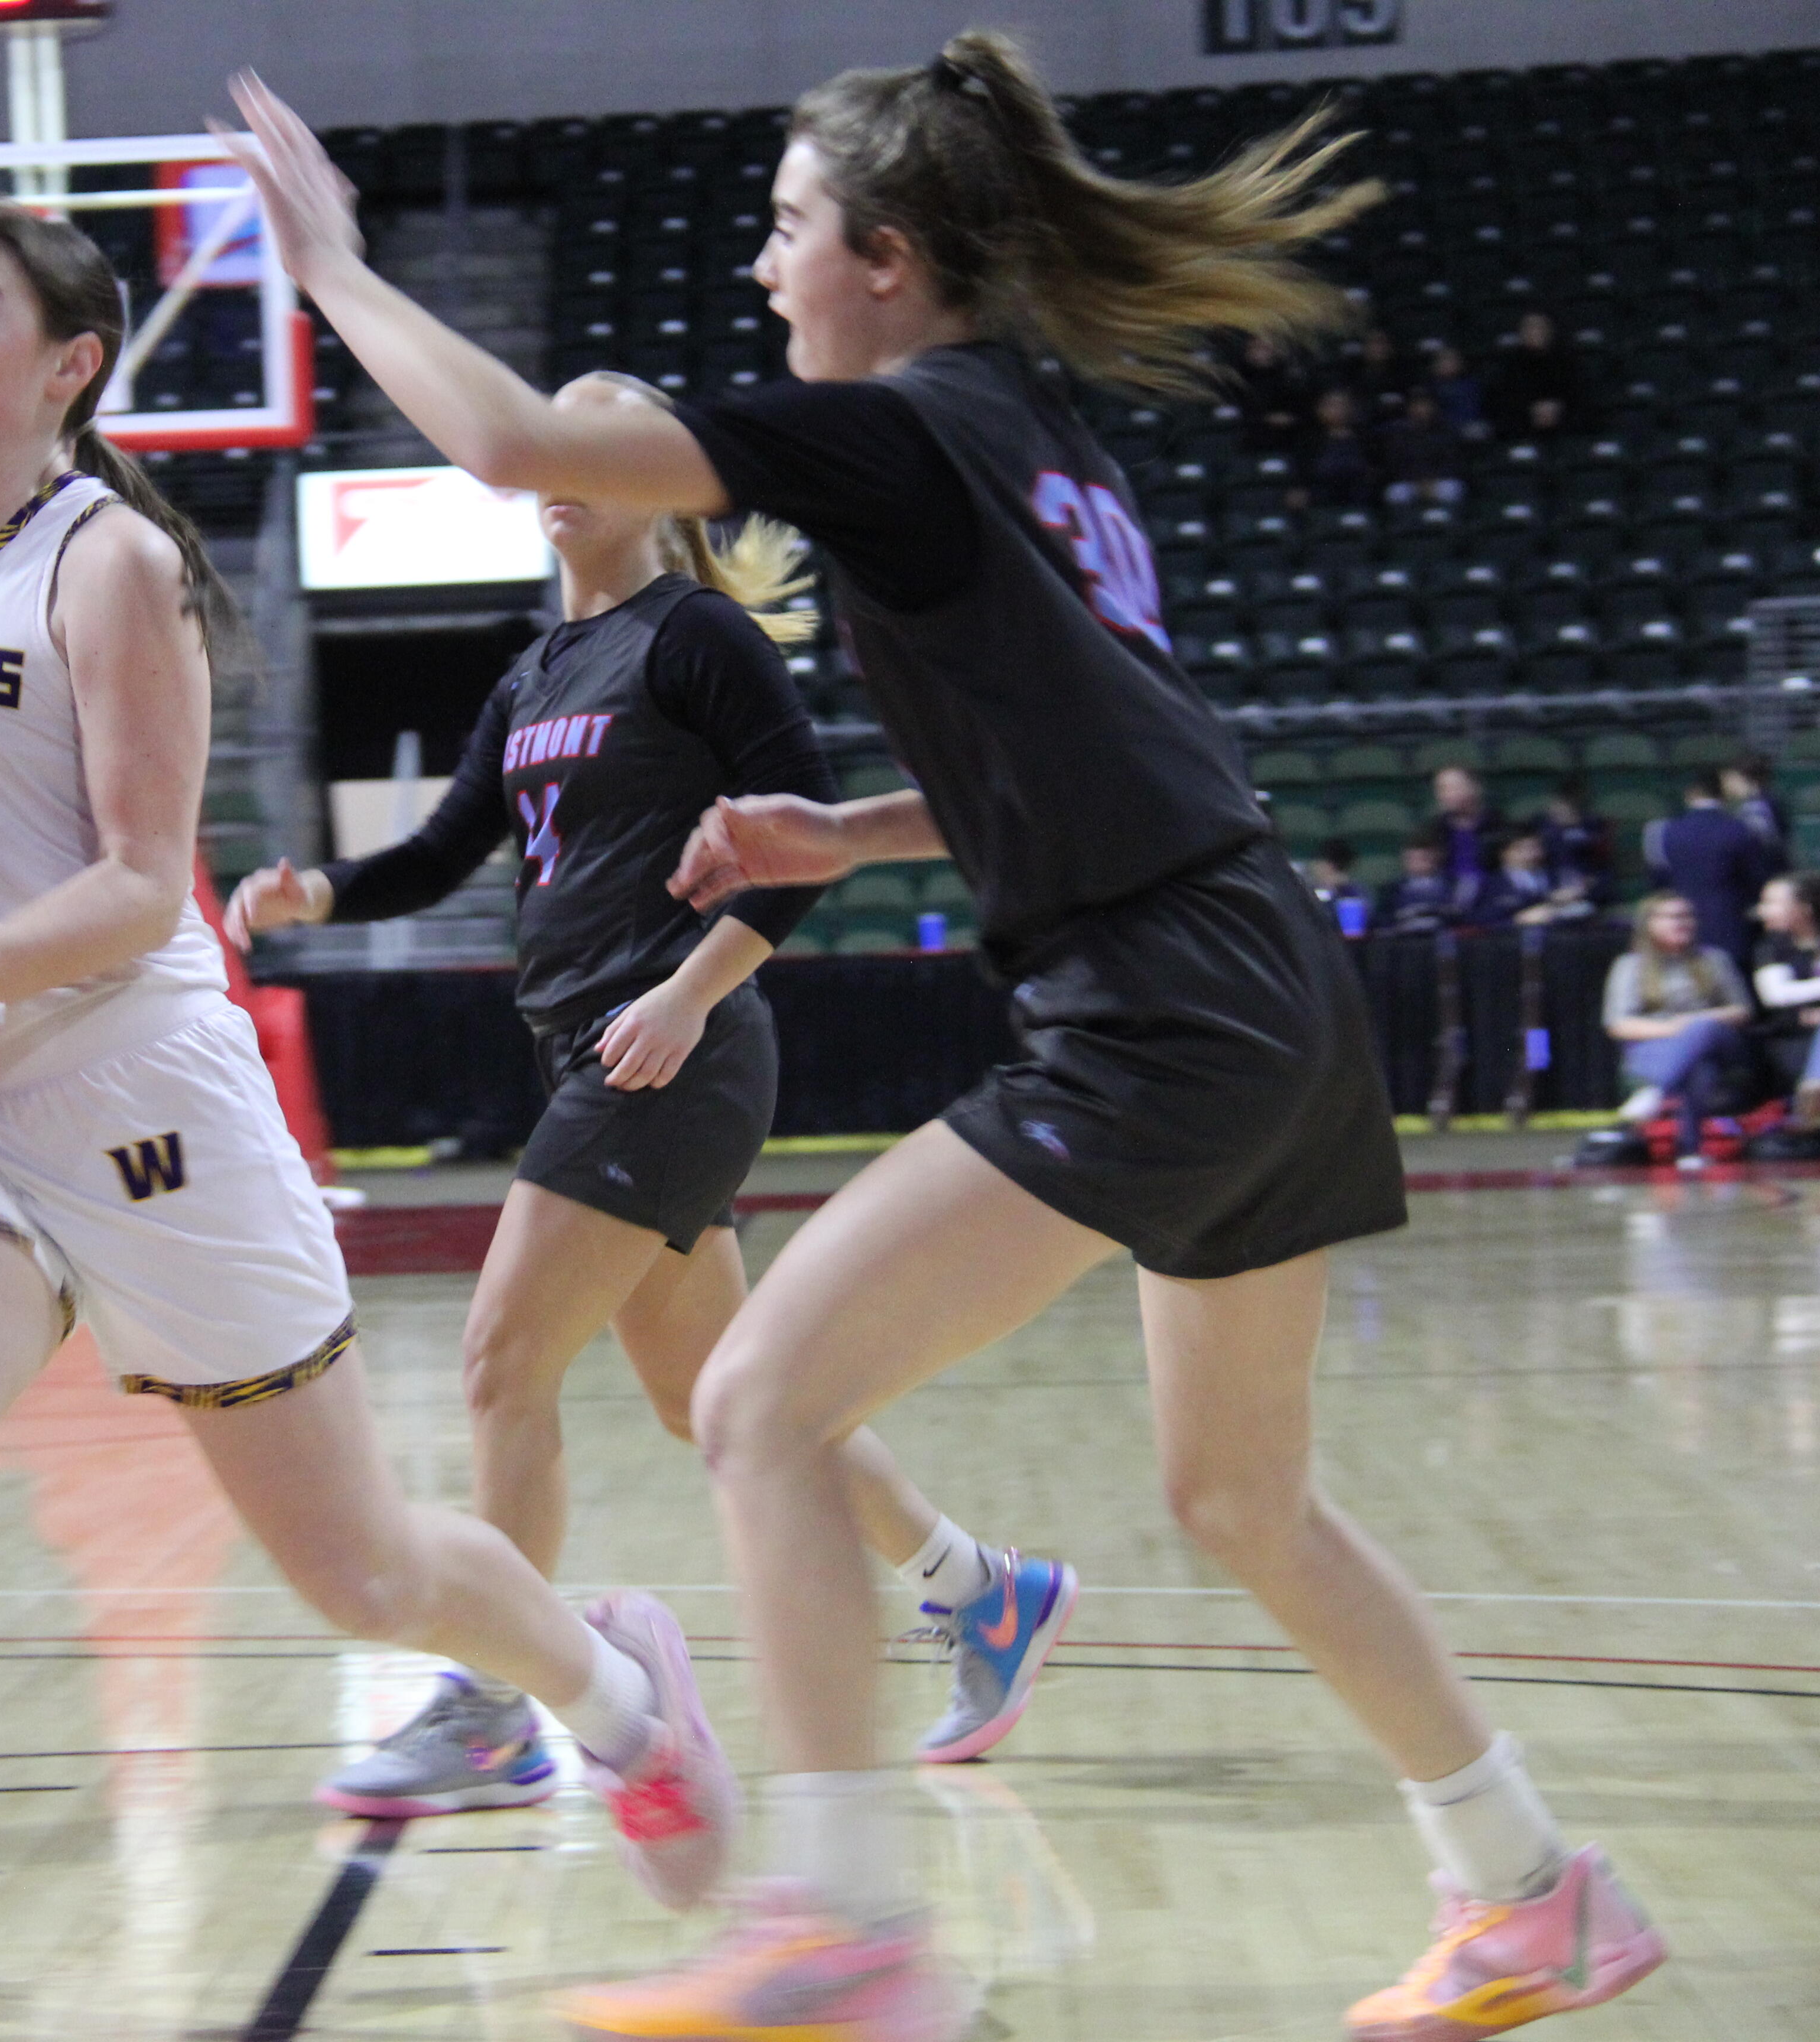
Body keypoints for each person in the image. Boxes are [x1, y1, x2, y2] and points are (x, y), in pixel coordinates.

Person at [225, 37, 1663, 2041]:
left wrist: (329, 267)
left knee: (756, 1402)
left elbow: (518, 444)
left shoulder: (893, 430)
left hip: (1156, 1002)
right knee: (1240, 1500)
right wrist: (850, 833)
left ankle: (837, 1916)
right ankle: (1531, 1887)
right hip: (1265, 975)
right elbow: (1123, 749)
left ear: (886, 260)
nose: (763, 267)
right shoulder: (1037, 433)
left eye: (787, 226)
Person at [0, 199, 741, 2042]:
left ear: (71, 366)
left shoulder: (112, 560)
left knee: (362, 1573)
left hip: (146, 1102)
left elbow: (143, 891)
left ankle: (612, 1692)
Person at [230, 375, 1069, 1819]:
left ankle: (494, 1704)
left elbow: (803, 834)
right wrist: (323, 890)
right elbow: (442, 852)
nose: (562, 461)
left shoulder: (696, 635)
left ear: (660, 484)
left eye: (597, 437)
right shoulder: (534, 672)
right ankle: (980, 1588)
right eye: (548, 435)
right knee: (718, 1402)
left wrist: (688, 992)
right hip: (590, 1050)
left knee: (501, 1364)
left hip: (674, 1051)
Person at [1605, 891, 1751, 1142]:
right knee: (1700, 1070)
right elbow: (1619, 1024)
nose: (1683, 923)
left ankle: (1656, 1091)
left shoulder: (1714, 959)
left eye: (1687, 916)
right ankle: (1690, 1150)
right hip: (1657, 1048)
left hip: (1716, 1042)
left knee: (1703, 1029)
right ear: (1649, 924)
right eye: (1672, 917)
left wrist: (1696, 1024)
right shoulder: (1630, 965)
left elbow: (1742, 1010)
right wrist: (1675, 1029)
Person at [1750, 872, 1820, 1139]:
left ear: (1805, 907)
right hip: (1796, 1038)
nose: (1763, 911)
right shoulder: (1771, 946)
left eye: (1773, 903)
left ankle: (1816, 1087)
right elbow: (1776, 995)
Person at [1647, 768, 1778, 964]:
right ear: (1723, 794)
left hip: (1682, 927)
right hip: (1732, 926)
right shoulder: (1743, 830)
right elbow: (1757, 879)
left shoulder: (1662, 832)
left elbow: (1660, 883)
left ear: (1689, 795)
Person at [1488, 310, 1585, 441]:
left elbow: (1579, 396)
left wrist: (1557, 408)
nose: (1534, 332)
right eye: (1529, 328)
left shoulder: (1568, 362)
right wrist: (1530, 410)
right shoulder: (1509, 365)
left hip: (1565, 427)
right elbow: (1503, 400)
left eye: (1539, 327)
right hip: (1522, 429)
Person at [1468, 830, 1581, 927]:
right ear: (1504, 853)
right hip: (1508, 940)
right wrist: (1518, 921)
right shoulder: (1490, 883)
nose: (1531, 854)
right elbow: (1478, 921)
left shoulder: (1558, 877)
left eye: (1536, 847)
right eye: (1521, 849)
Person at [1375, 388, 1464, 506]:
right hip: (1410, 483)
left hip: (1438, 482)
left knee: (1452, 490)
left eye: (1425, 405)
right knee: (1396, 493)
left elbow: (1451, 461)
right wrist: (1418, 483)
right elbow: (1395, 464)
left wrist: (1431, 482)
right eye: (1417, 405)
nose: (1421, 410)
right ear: (1409, 409)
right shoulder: (1398, 433)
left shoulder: (1445, 431)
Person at [1426, 763, 1502, 902]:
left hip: (1491, 893)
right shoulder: (1433, 830)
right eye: (1442, 789)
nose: (1448, 795)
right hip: (1445, 894)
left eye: (1455, 787)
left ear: (1475, 788)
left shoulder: (1498, 825)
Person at [1535, 774, 1614, 904]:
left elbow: (1602, 856)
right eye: (1564, 802)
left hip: (1588, 878)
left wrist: (1591, 880)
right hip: (1555, 879)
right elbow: (1539, 853)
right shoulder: (1543, 825)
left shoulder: (1593, 823)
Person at [1302, 383, 1379, 507]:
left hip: (1359, 496)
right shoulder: (1310, 441)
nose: (1337, 410)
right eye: (1331, 405)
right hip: (1321, 495)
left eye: (1341, 405)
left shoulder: (1366, 439)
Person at [1378, 834, 1459, 935]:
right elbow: (1383, 920)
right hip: (1403, 937)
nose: (1417, 863)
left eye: (1423, 858)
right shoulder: (1392, 890)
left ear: (1436, 858)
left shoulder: (1453, 886)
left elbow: (1460, 916)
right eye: (1412, 859)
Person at [1722, 752, 1790, 861]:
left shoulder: (1756, 808)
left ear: (1742, 778)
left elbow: (1760, 848)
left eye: (1730, 779)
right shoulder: (1766, 802)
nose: (1727, 785)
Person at [1302, 834, 1367, 932]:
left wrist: (1341, 889)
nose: (1315, 866)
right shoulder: (1308, 889)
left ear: (1331, 865)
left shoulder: (1357, 892)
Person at [1423, 342, 1487, 437]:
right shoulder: (1430, 386)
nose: (1446, 364)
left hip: (1465, 426)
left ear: (1460, 363)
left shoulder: (1470, 386)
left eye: (1450, 360)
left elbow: (1471, 412)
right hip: (1437, 427)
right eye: (1442, 361)